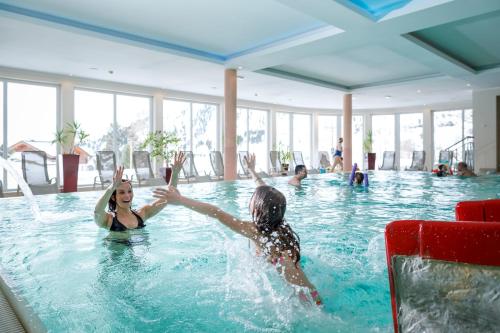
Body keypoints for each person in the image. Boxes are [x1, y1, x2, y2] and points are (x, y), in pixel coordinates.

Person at [153, 154, 322, 305]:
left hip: (300, 295)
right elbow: (263, 188)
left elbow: (216, 212)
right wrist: (252, 171)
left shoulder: (254, 230)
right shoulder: (281, 224)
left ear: (257, 207)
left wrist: (181, 200)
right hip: (310, 289)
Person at [94, 152, 185, 231]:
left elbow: (167, 198)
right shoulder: (108, 219)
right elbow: (97, 211)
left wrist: (175, 173)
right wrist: (112, 187)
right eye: (122, 192)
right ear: (113, 197)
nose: (127, 196)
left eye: (129, 191)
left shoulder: (142, 213)